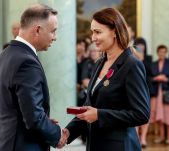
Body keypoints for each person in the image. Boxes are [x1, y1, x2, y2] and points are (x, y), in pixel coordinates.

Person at [62, 8, 150, 151]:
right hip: (96, 145)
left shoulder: (132, 65)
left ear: (114, 31)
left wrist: (99, 115)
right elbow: (88, 108)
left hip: (120, 146)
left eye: (98, 32)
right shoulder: (99, 63)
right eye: (92, 32)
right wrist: (68, 132)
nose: (92, 38)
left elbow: (141, 114)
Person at [0, 4, 67, 151]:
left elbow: (16, 108)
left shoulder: (5, 54)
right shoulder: (26, 62)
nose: (55, 37)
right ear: (37, 30)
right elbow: (33, 117)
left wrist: (44, 121)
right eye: (53, 31)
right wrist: (57, 134)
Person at [151, 45, 169, 144]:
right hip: (157, 93)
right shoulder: (153, 64)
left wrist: (166, 79)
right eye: (160, 52)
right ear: (157, 53)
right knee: (159, 115)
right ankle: (161, 136)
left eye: (163, 52)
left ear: (166, 52)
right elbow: (148, 78)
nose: (161, 53)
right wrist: (156, 78)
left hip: (168, 92)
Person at [133, 37, 154, 148]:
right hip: (134, 88)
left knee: (146, 113)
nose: (141, 46)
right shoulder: (131, 58)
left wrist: (141, 60)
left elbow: (150, 72)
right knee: (135, 112)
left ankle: (144, 138)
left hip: (146, 88)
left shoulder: (149, 58)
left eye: (142, 44)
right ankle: (136, 136)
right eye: (138, 44)